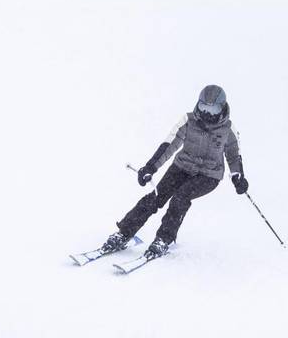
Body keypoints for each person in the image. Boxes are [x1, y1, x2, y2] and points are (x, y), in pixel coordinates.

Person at [100, 85, 248, 259]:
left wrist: (238, 177)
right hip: (182, 167)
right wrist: (150, 167)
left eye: (213, 109)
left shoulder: (228, 130)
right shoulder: (188, 120)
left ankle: (163, 239)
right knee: (156, 196)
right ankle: (124, 233)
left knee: (181, 197)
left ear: (222, 108)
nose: (207, 114)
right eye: (203, 108)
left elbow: (233, 156)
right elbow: (169, 145)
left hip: (208, 175)